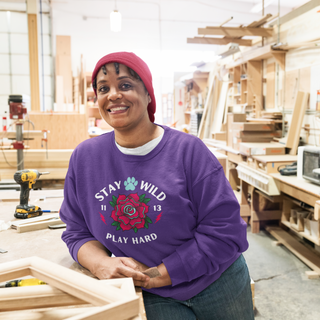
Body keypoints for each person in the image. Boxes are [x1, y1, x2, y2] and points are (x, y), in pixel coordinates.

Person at [60, 52, 254, 320]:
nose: (113, 95)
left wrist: (156, 275)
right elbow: (77, 231)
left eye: (125, 85)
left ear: (148, 94)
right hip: (153, 296)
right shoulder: (86, 158)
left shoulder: (189, 152)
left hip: (217, 283)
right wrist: (101, 264)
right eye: (104, 88)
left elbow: (225, 232)